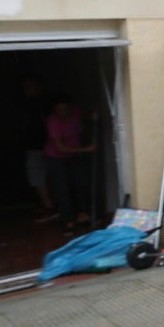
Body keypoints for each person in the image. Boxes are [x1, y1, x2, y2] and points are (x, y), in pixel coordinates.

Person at [45, 94, 97, 234]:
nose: (63, 112)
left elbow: (83, 117)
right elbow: (59, 147)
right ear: (55, 111)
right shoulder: (53, 122)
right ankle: (68, 221)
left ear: (70, 108)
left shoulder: (75, 113)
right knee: (62, 188)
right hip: (56, 157)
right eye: (59, 110)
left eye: (65, 109)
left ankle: (82, 214)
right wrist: (86, 149)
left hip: (74, 155)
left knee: (81, 183)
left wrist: (91, 115)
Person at [19, 76, 56, 222]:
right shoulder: (28, 105)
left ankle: (50, 208)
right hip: (34, 147)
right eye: (25, 87)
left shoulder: (42, 106)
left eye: (30, 86)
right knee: (39, 177)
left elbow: (47, 127)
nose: (27, 90)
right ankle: (48, 205)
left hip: (41, 147)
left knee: (39, 177)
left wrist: (45, 146)